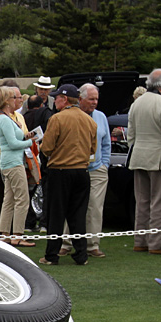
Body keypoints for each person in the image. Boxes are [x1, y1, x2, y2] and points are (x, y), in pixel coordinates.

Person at [38, 83, 96, 265]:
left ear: (64, 99)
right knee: (78, 214)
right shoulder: (89, 120)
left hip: (60, 170)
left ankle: (51, 255)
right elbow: (93, 148)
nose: (54, 101)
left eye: (57, 98)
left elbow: (46, 148)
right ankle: (81, 254)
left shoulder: (57, 119)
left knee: (56, 214)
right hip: (82, 170)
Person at [128, 68, 161, 255]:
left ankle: (140, 240)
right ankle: (158, 243)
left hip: (139, 157)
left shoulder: (136, 103)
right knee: (160, 202)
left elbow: (131, 136)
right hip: (160, 159)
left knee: (142, 201)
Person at [60, 83, 109, 258]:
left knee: (95, 206)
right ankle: (66, 243)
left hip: (97, 169)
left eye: (96, 99)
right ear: (80, 99)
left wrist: (105, 164)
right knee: (70, 205)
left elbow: (106, 144)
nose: (95, 102)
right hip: (75, 167)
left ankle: (92, 244)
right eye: (91, 99)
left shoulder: (101, 117)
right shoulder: (71, 116)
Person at [0, 87, 35, 246]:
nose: (16, 100)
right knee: (22, 199)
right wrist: (31, 142)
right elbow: (12, 143)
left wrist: (26, 136)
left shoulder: (6, 118)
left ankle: (5, 233)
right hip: (13, 163)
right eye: (12, 97)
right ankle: (18, 234)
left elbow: (13, 139)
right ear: (6, 101)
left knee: (9, 199)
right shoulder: (4, 119)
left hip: (9, 162)